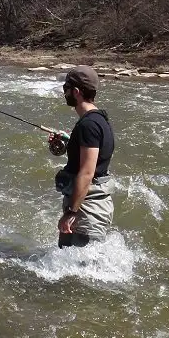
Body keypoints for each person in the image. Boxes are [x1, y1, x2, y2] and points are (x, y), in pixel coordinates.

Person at [48, 65, 115, 248]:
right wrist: (67, 143)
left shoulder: (89, 125)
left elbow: (87, 172)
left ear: (76, 92)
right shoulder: (99, 120)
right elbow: (92, 159)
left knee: (80, 272)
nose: (64, 93)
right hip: (87, 206)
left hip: (86, 210)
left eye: (66, 89)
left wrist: (71, 213)